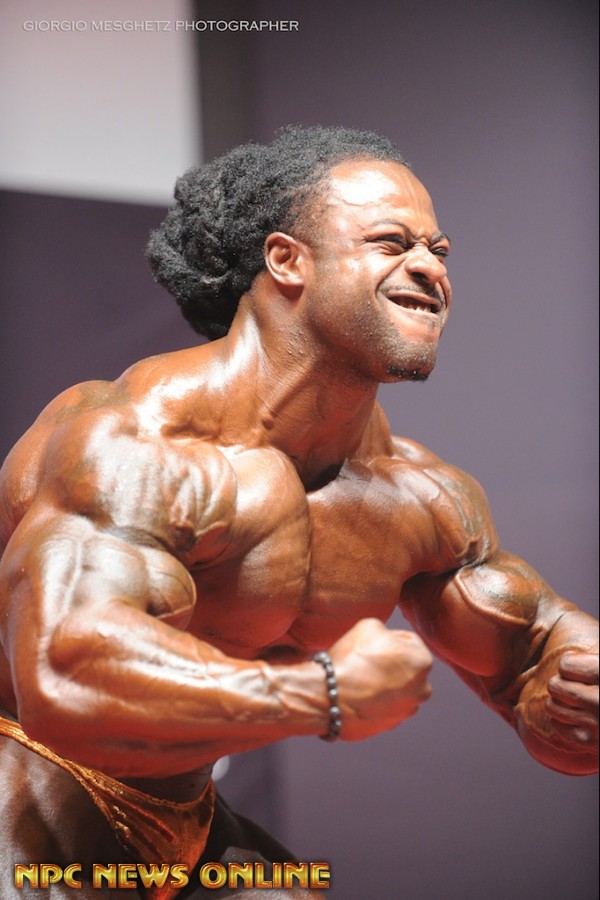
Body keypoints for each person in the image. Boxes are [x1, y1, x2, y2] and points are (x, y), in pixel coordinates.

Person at [0, 126, 597, 899]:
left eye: (439, 251)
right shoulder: (137, 438)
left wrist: (571, 699)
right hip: (31, 784)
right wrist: (325, 695)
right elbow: (63, 673)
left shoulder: (417, 497)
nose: (431, 268)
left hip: (185, 819)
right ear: (286, 260)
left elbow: (535, 662)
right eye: (391, 243)